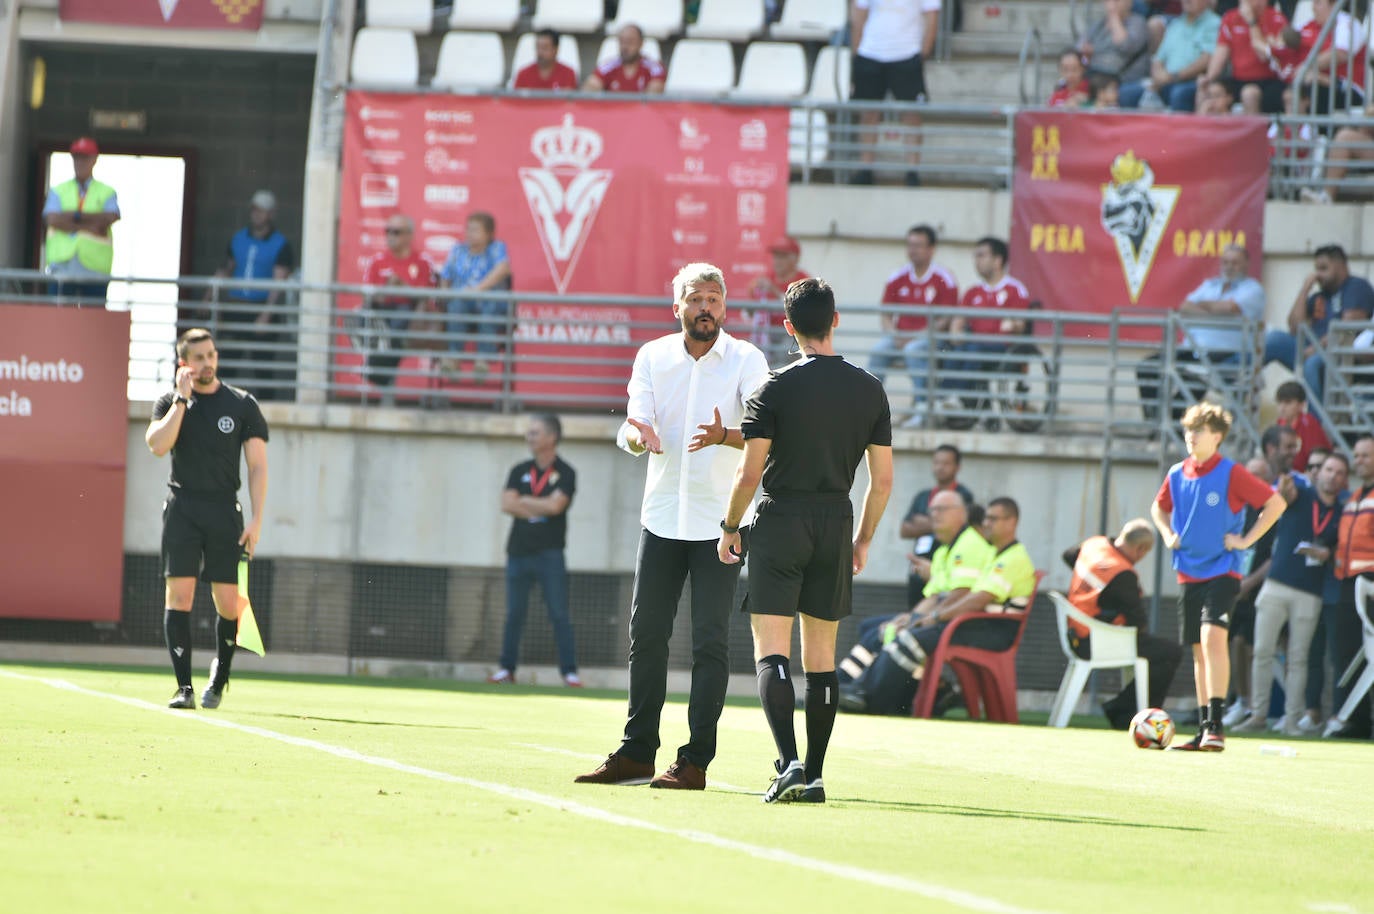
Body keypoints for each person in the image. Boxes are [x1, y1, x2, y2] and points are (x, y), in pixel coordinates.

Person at [574, 263, 769, 790]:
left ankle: (695, 761)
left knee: (709, 643)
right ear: (677, 307)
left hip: (721, 523)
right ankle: (638, 752)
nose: (706, 307)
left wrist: (725, 435)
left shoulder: (749, 360)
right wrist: (638, 437)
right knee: (647, 635)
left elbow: (765, 432)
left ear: (725, 307)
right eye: (696, 298)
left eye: (714, 298)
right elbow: (635, 424)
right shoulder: (652, 356)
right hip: (661, 517)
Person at [716, 277, 894, 804]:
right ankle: (813, 775)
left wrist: (729, 528)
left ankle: (788, 761)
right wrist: (861, 541)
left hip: (779, 519)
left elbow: (749, 475)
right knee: (821, 657)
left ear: (788, 327)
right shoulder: (869, 387)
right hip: (835, 520)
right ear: (835, 319)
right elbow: (882, 481)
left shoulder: (773, 387)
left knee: (771, 651)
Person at [144, 328, 269, 710]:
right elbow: (157, 445)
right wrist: (182, 400)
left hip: (223, 511)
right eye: (198, 357)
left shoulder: (242, 404)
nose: (208, 363)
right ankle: (184, 687)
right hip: (182, 507)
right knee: (178, 597)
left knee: (228, 603)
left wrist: (257, 519)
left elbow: (258, 466)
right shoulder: (170, 400)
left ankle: (221, 674)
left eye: (211, 355)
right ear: (185, 363)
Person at [1150, 402, 1286, 751]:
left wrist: (1245, 540)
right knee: (1198, 649)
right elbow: (1158, 508)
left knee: (1213, 639)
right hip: (1187, 572)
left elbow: (1275, 505)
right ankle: (1203, 729)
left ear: (1218, 436)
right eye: (1187, 430)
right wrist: (1167, 534)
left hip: (1223, 570)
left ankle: (1217, 727)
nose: (1191, 436)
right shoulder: (1177, 473)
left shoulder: (1231, 472)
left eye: (1199, 430)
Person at [859, 496, 1037, 716]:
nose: (987, 523)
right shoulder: (994, 554)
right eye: (986, 518)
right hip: (975, 624)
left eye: (994, 519)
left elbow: (978, 598)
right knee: (903, 632)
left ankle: (876, 702)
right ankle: (869, 694)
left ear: (1012, 522)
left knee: (911, 638)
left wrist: (937, 616)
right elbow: (962, 593)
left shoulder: (1012, 558)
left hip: (993, 632)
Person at [837, 489, 989, 697]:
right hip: (941, 618)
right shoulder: (945, 550)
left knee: (890, 634)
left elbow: (962, 594)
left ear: (962, 514)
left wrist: (922, 619)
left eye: (941, 509)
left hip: (958, 624)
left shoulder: (970, 544)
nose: (934, 514)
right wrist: (910, 617)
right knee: (874, 628)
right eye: (932, 510)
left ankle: (865, 691)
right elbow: (935, 595)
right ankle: (847, 683)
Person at [1235, 451, 1346, 735]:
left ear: (1344, 479)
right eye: (1326, 470)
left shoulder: (1343, 510)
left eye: (1337, 472)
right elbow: (1285, 492)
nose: (1331, 475)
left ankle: (1292, 721)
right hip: (1276, 584)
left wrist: (1328, 552)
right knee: (1261, 651)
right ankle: (1258, 715)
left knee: (1299, 658)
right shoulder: (1303, 495)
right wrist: (1284, 476)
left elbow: (1338, 548)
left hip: (1310, 592)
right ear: (1317, 474)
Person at [1062, 519, 1184, 729]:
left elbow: (1068, 556)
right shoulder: (1122, 573)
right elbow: (1138, 623)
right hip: (1094, 641)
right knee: (1170, 652)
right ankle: (1125, 711)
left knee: (1157, 650)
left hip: (1075, 632)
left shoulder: (1094, 544)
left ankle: (1124, 709)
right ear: (1141, 549)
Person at [492, 414, 580, 687]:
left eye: (535, 432)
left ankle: (569, 673)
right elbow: (507, 503)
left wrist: (525, 501)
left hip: (550, 554)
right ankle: (507, 670)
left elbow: (557, 507)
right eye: (529, 433)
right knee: (514, 614)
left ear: (551, 437)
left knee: (558, 614)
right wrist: (541, 502)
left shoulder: (566, 472)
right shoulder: (519, 470)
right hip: (518, 552)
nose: (530, 437)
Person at [1135, 244, 1265, 422]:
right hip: (1193, 351)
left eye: (1235, 263)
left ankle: (1169, 426)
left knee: (1190, 382)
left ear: (1246, 264)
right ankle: (1155, 423)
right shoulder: (1210, 284)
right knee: (1147, 366)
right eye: (1225, 262)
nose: (1229, 266)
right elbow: (1185, 307)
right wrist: (1215, 312)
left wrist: (1204, 306)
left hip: (1225, 355)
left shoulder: (1253, 289)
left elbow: (1230, 307)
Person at [868, 224, 959, 427]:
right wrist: (893, 334)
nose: (913, 250)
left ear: (931, 249)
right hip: (900, 338)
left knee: (913, 349)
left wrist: (917, 336)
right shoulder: (898, 276)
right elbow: (886, 313)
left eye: (918, 245)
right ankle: (869, 408)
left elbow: (946, 318)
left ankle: (921, 408)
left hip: (932, 339)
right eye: (910, 245)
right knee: (878, 351)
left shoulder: (944, 277)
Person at [211, 190, 296, 401]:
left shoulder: (281, 244)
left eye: (262, 211)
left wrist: (266, 314)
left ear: (271, 214)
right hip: (237, 307)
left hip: (260, 308)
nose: (257, 215)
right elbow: (225, 270)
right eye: (255, 210)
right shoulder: (239, 238)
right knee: (228, 363)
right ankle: (221, 404)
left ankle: (265, 408)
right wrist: (211, 302)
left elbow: (279, 282)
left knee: (263, 365)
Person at [1262, 245, 1374, 402]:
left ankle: (1317, 422)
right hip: (1312, 350)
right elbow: (1295, 328)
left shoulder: (1356, 286)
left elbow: (1348, 329)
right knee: (1274, 339)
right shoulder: (1319, 296)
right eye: (1316, 269)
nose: (1318, 274)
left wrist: (1315, 349)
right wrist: (1305, 288)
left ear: (1340, 266)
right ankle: (1236, 377)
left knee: (1312, 364)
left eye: (1323, 268)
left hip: (1341, 355)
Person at [849, 0, 941, 187]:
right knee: (869, 114)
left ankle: (912, 170)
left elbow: (932, 16)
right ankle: (866, 168)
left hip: (907, 52)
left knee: (911, 115)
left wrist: (923, 53)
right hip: (871, 50)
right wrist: (857, 52)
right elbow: (859, 13)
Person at [1327, 434, 1374, 739]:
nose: (1359, 461)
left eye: (1365, 456)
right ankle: (1351, 722)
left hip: (1371, 586)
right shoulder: (1353, 496)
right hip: (1346, 586)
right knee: (1345, 656)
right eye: (1356, 456)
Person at [361, 213, 436, 402]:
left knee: (399, 320)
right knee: (363, 318)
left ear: (410, 235)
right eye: (388, 231)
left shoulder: (423, 262)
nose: (391, 236)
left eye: (397, 232)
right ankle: (382, 375)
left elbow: (428, 298)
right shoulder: (377, 261)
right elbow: (369, 296)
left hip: (409, 315)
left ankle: (375, 373)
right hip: (382, 310)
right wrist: (386, 289)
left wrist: (403, 287)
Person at [946, 237, 1033, 393]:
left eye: (981, 255)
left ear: (998, 260)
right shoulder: (972, 292)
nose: (976, 261)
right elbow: (957, 323)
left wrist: (1013, 324)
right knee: (953, 351)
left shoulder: (1015, 289)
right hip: (974, 345)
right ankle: (944, 399)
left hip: (1002, 348)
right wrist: (956, 335)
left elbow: (1019, 325)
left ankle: (956, 397)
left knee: (972, 349)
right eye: (975, 256)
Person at [43, 137, 120, 304]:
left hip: (94, 269)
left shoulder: (107, 192)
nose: (80, 162)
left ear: (94, 159)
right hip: (63, 267)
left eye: (84, 157)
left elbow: (109, 218)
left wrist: (72, 217)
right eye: (76, 157)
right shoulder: (58, 191)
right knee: (58, 322)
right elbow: (52, 219)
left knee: (93, 324)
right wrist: (90, 223)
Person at [439, 211, 511, 385]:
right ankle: (453, 359)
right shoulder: (458, 250)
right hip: (463, 300)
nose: (470, 234)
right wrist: (444, 293)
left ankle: (483, 360)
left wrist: (478, 290)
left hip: (488, 299)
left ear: (489, 233)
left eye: (476, 230)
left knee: (490, 304)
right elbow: (446, 274)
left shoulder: (496, 248)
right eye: (468, 229)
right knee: (456, 304)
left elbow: (503, 269)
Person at [900, 444, 976, 607]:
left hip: (946, 568)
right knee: (913, 614)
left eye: (946, 463)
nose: (940, 467)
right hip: (919, 566)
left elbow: (963, 526)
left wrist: (923, 523)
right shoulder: (922, 496)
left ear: (957, 467)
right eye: (936, 462)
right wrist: (941, 523)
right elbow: (905, 529)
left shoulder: (964, 495)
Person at [1120, 0, 1220, 110]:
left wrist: (1174, 77)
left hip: (1193, 81)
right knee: (1127, 92)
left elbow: (1207, 58)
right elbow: (1158, 58)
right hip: (1166, 80)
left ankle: (1183, 127)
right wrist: (1158, 76)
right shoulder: (1176, 24)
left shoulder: (1214, 23)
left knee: (1179, 94)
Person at [1200, 0, 1289, 115]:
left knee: (1249, 93)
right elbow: (1220, 53)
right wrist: (1208, 78)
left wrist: (1252, 22)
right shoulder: (1230, 18)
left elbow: (1263, 55)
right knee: (1205, 87)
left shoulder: (1277, 19)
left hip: (1269, 81)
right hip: (1238, 79)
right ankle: (1201, 130)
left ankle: (1251, 133)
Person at [746, 236, 810, 365]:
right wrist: (752, 300)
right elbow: (748, 314)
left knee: (786, 351)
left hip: (792, 335)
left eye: (783, 256)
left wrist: (774, 290)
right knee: (748, 352)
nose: (777, 261)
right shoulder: (766, 278)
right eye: (776, 256)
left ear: (795, 259)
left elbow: (801, 309)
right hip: (767, 334)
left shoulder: (804, 280)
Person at [1078, 0, 1152, 85]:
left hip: (1122, 78)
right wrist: (1086, 56)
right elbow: (1078, 49)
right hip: (1094, 73)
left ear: (1129, 3)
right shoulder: (1098, 25)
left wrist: (1114, 16)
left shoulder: (1138, 23)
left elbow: (1126, 46)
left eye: (1116, 1)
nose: (1111, 4)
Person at [583, 23, 665, 92]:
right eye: (622, 42)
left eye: (630, 42)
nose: (625, 47)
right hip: (612, 110)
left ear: (641, 43)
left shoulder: (654, 68)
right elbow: (589, 89)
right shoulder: (608, 67)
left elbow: (653, 97)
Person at [1275, 380, 1332, 471]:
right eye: (1280, 402)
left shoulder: (1309, 424)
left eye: (1288, 402)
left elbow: (1318, 458)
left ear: (1301, 405)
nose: (1282, 408)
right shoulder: (1279, 424)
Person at [513, 28, 579, 90]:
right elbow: (514, 100)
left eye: (545, 48)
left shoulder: (568, 74)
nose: (540, 52)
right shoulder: (524, 74)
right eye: (538, 47)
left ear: (555, 49)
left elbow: (571, 101)